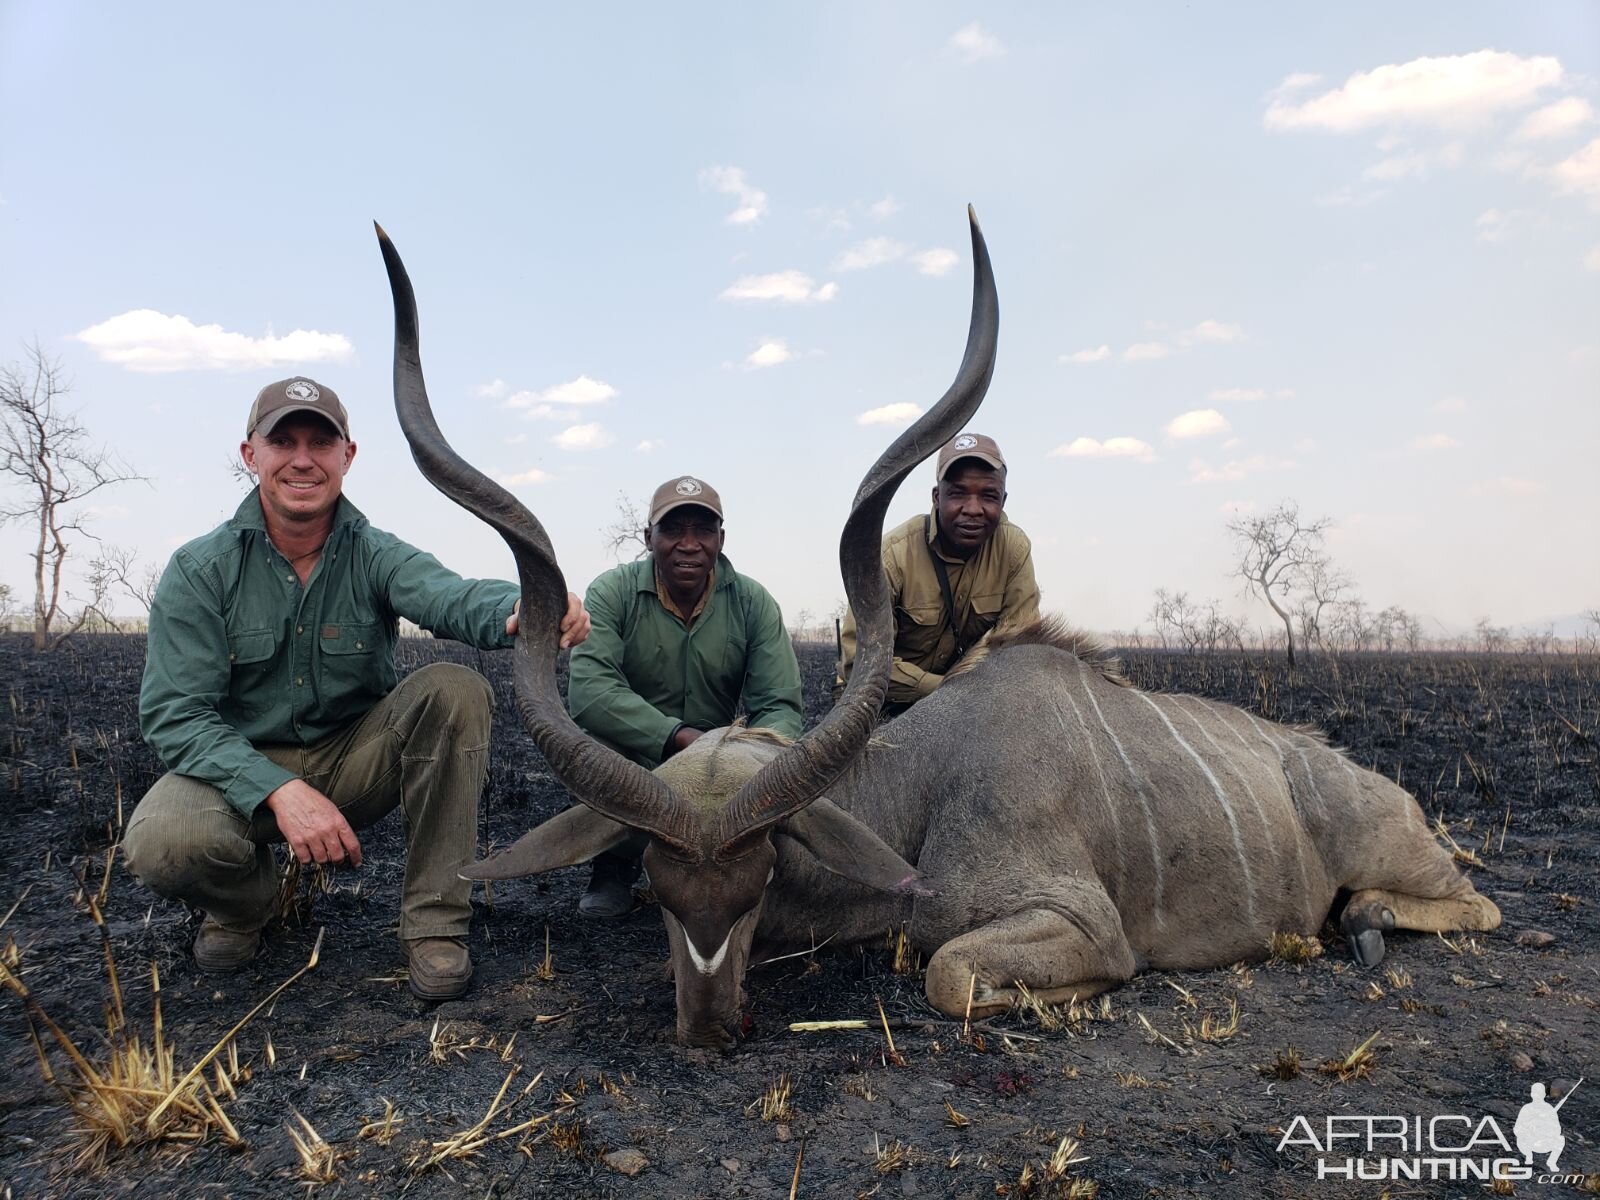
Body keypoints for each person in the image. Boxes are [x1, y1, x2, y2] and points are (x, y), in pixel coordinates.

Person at [123, 376, 590, 1000]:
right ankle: (244, 907)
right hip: (240, 774)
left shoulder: (374, 552)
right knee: (162, 842)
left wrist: (532, 603)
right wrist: (280, 791)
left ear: (347, 456)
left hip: (354, 762)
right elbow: (176, 716)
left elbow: (450, 595)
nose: (302, 459)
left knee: (455, 689)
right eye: (282, 440)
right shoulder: (200, 568)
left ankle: (435, 927)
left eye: (321, 442)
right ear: (250, 454)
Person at [567, 474, 804, 917]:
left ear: (721, 538)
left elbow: (780, 705)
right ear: (648, 537)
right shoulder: (612, 592)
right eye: (673, 530)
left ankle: (735, 867)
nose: (689, 544)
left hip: (723, 768)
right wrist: (680, 739)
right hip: (644, 756)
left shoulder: (754, 602)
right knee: (594, 748)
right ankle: (614, 865)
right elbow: (590, 690)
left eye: (704, 530)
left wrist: (744, 757)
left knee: (790, 763)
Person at [837, 432, 1039, 714]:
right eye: (957, 493)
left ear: (1003, 501)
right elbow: (858, 662)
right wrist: (948, 690)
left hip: (971, 706)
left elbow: (1020, 655)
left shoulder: (1014, 550)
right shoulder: (893, 554)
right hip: (887, 705)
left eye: (988, 496)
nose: (972, 509)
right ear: (936, 497)